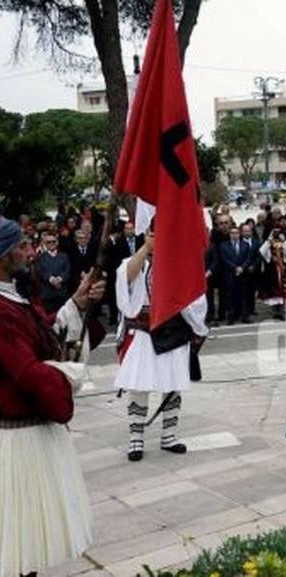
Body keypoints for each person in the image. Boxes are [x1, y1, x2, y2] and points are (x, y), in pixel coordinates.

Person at [0, 216, 105, 577]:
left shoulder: (15, 298)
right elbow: (28, 370)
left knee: (24, 541)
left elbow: (46, 335)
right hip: (13, 440)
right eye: (21, 245)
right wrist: (66, 380)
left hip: (29, 437)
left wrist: (76, 302)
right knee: (13, 539)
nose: (30, 251)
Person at [114, 229, 208, 462]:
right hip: (143, 331)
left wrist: (196, 326)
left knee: (173, 384)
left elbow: (195, 295)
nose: (157, 237)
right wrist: (146, 248)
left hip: (174, 330)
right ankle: (136, 438)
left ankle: (169, 436)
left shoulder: (180, 262)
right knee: (139, 384)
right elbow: (124, 277)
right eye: (152, 233)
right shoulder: (135, 260)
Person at [259, 224, 286, 321]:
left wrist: (284, 241)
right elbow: (262, 251)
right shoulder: (270, 242)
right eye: (275, 231)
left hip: (282, 267)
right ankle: (275, 311)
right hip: (272, 268)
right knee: (273, 289)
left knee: (283, 287)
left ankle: (282, 310)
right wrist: (269, 240)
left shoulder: (283, 242)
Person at [219, 225, 252, 324]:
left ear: (239, 234)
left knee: (243, 296)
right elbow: (224, 259)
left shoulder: (245, 245)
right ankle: (231, 317)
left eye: (236, 233)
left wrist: (242, 267)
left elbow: (248, 258)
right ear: (229, 235)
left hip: (243, 274)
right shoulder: (224, 245)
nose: (234, 235)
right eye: (232, 233)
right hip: (230, 274)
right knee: (230, 297)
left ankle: (245, 316)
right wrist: (235, 268)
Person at [35, 232, 72, 313]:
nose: (52, 243)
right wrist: (51, 280)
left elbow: (68, 271)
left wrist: (59, 279)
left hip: (62, 292)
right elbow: (40, 271)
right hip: (47, 293)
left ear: (57, 242)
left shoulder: (64, 256)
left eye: (54, 241)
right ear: (44, 244)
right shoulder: (40, 257)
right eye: (48, 242)